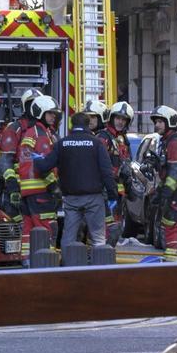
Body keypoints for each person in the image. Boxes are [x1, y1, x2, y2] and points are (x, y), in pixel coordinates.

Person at [34, 112, 118, 249]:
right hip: (94, 198)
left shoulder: (62, 143)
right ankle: (99, 268)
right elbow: (107, 172)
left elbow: (44, 166)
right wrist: (112, 195)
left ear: (72, 124)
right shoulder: (96, 144)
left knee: (69, 238)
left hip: (71, 198)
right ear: (87, 125)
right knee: (98, 238)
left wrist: (36, 159)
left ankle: (69, 267)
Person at [17, 95, 62, 256]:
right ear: (40, 113)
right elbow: (44, 164)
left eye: (54, 114)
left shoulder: (30, 132)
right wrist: (54, 186)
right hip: (41, 191)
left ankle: (27, 262)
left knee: (29, 230)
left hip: (28, 193)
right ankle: (47, 264)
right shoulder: (41, 134)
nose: (53, 117)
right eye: (50, 113)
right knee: (48, 227)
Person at [87, 99, 135, 246]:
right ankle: (95, 261)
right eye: (118, 118)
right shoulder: (103, 137)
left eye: (124, 119)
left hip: (117, 194)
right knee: (105, 230)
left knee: (115, 230)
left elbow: (126, 165)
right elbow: (96, 164)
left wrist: (129, 187)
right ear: (111, 118)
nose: (120, 122)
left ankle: (103, 259)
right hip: (105, 193)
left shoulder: (122, 140)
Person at [151, 105, 177, 262]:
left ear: (170, 121)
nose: (157, 125)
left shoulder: (175, 141)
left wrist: (166, 192)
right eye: (156, 121)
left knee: (172, 229)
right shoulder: (170, 140)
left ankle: (171, 267)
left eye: (160, 122)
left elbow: (175, 171)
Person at [0, 88, 42, 223]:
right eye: (31, 104)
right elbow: (5, 161)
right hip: (18, 186)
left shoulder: (45, 129)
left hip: (41, 187)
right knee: (19, 225)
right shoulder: (14, 128)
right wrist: (12, 185)